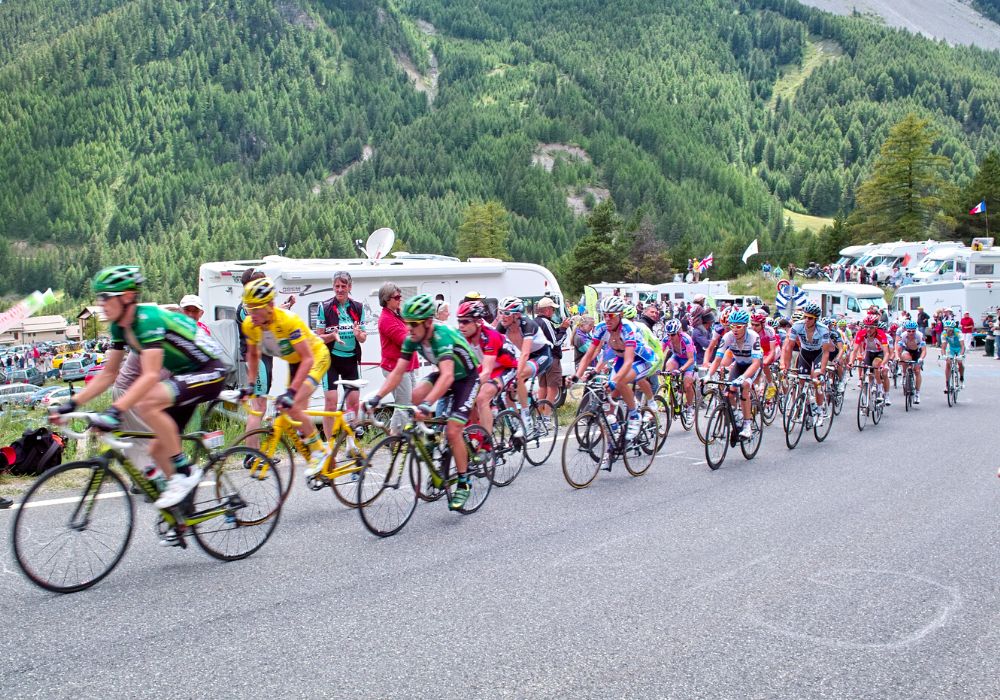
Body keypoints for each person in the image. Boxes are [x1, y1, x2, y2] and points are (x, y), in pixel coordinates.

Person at [53, 266, 227, 511]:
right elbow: (109, 374)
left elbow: (150, 375)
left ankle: (184, 473)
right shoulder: (119, 327)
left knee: (148, 402)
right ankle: (183, 517)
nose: (101, 303)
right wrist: (71, 404)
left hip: (209, 371)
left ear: (126, 296)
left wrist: (115, 412)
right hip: (185, 376)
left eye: (105, 297)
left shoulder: (148, 320)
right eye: (99, 297)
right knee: (156, 450)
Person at [366, 294, 480, 511]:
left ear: (428, 322)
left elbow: (447, 376)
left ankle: (464, 481)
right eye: (407, 323)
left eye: (413, 324)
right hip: (446, 375)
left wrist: (428, 404)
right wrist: (377, 396)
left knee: (454, 430)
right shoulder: (412, 338)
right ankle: (428, 436)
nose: (409, 329)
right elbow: (398, 371)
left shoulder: (442, 336)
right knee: (414, 398)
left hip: (466, 378)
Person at [241, 277, 333, 477]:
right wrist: (249, 385)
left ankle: (320, 451)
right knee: (290, 410)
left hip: (315, 357)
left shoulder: (288, 321)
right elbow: (254, 355)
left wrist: (291, 392)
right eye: (249, 308)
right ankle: (307, 438)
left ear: (271, 306)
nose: (252, 314)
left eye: (256, 308)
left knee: (293, 405)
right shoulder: (250, 324)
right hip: (295, 361)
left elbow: (308, 359)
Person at [572, 296, 656, 448]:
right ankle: (613, 440)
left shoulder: (628, 329)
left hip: (640, 359)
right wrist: (576, 377)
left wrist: (614, 381)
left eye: (611, 315)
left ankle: (634, 415)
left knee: (620, 381)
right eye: (604, 315)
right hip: (620, 359)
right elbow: (589, 354)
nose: (607, 319)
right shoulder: (601, 328)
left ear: (620, 315)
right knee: (610, 401)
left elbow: (629, 361)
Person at [315, 271, 366, 439]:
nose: (340, 290)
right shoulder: (325, 307)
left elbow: (363, 338)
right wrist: (332, 336)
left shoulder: (358, 307)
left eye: (343, 286)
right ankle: (329, 444)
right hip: (331, 360)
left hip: (350, 360)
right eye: (337, 286)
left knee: (353, 402)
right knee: (330, 402)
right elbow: (319, 338)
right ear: (333, 287)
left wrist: (358, 334)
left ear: (349, 287)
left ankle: (351, 442)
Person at [456, 300, 519, 434]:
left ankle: (487, 443)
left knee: (481, 397)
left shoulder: (490, 336)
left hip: (506, 366)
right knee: (468, 398)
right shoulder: (463, 336)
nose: (461, 325)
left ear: (478, 322)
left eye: (466, 321)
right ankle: (474, 436)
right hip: (487, 365)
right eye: (459, 321)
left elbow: (486, 373)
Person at [496, 296, 553, 433]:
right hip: (525, 357)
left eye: (507, 313)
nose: (502, 316)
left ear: (516, 315)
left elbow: (525, 353)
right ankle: (517, 422)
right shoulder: (502, 327)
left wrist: (516, 375)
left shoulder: (528, 324)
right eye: (500, 312)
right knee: (507, 388)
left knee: (519, 375)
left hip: (542, 355)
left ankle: (526, 417)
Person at [707, 309, 763, 438]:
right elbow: (717, 359)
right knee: (730, 392)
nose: (735, 330)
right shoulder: (728, 337)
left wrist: (743, 377)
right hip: (739, 364)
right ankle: (737, 415)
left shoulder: (753, 336)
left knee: (744, 387)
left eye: (739, 327)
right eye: (732, 326)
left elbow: (755, 363)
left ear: (745, 326)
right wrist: (708, 375)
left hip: (753, 365)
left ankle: (747, 425)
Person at [377, 282, 418, 434]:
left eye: (400, 296)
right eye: (397, 297)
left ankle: (395, 438)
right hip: (395, 368)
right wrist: (418, 332)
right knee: (403, 405)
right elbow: (404, 340)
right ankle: (400, 438)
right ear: (387, 299)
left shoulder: (396, 314)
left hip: (408, 366)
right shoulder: (386, 319)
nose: (400, 299)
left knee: (407, 403)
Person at [534, 297, 569, 422]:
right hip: (551, 358)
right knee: (553, 388)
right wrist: (564, 328)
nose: (553, 312)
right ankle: (547, 416)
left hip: (540, 358)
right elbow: (556, 342)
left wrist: (559, 328)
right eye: (553, 309)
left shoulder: (536, 321)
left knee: (542, 387)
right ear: (547, 310)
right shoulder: (546, 322)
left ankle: (539, 416)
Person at [896, 320, 927, 404]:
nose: (911, 333)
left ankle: (917, 393)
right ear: (906, 330)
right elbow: (899, 349)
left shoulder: (920, 336)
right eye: (909, 331)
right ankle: (904, 375)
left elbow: (924, 350)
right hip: (908, 350)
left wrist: (921, 358)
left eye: (913, 331)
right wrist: (898, 357)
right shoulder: (903, 336)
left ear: (915, 330)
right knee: (905, 359)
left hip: (917, 352)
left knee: (917, 371)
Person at [939, 318, 966, 387]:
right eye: (946, 329)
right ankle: (947, 383)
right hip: (951, 349)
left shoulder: (958, 332)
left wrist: (961, 355)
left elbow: (962, 346)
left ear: (953, 329)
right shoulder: (944, 334)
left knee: (960, 362)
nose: (948, 331)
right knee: (948, 363)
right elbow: (943, 347)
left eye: (949, 330)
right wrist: (943, 355)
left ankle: (961, 377)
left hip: (959, 348)